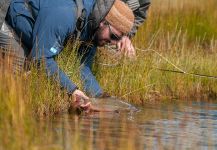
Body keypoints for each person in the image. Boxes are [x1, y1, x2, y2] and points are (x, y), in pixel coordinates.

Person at [0, 0, 150, 109]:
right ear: (103, 22)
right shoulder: (65, 14)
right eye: (114, 37)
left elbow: (82, 66)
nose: (112, 42)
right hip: (6, 12)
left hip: (34, 30)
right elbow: (40, 58)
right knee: (18, 62)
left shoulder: (92, 29)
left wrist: (101, 97)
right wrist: (72, 90)